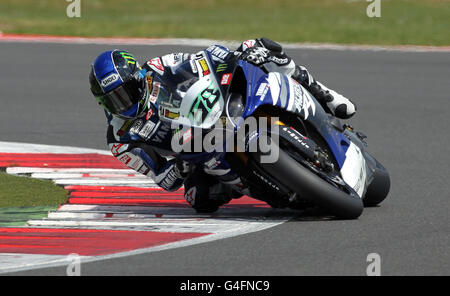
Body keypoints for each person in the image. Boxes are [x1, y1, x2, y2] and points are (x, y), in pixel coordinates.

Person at [88, 37, 357, 213]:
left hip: (215, 110)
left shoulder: (159, 66)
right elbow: (162, 179)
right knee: (198, 199)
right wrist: (179, 167)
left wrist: (236, 54)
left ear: (139, 78)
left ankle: (326, 95)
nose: (123, 104)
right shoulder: (120, 139)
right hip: (196, 152)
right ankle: (260, 186)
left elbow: (204, 59)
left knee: (262, 47)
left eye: (126, 93)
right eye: (114, 100)